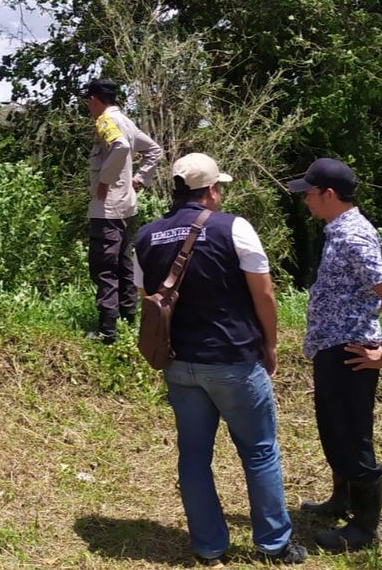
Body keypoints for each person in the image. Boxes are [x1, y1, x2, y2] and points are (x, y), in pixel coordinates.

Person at [134, 154, 307, 566]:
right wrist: (271, 344)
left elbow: (148, 302)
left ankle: (209, 546)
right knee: (260, 450)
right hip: (234, 361)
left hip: (179, 364)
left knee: (194, 455)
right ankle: (274, 544)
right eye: (219, 188)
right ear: (211, 190)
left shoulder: (145, 236)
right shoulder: (234, 228)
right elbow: (264, 294)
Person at [288, 158, 382, 553]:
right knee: (335, 432)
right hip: (333, 347)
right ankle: (341, 501)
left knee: (352, 438)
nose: (305, 200)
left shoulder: (352, 236)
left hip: (349, 353)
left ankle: (363, 529)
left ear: (329, 194)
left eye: (309, 193)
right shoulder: (338, 231)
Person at [81, 78, 162, 344]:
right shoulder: (126, 121)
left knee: (104, 267)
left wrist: (105, 179)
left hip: (108, 209)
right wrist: (139, 179)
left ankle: (108, 331)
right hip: (127, 207)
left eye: (88, 101)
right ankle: (128, 318)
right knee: (124, 263)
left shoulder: (105, 121)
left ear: (94, 99)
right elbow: (153, 150)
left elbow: (122, 147)